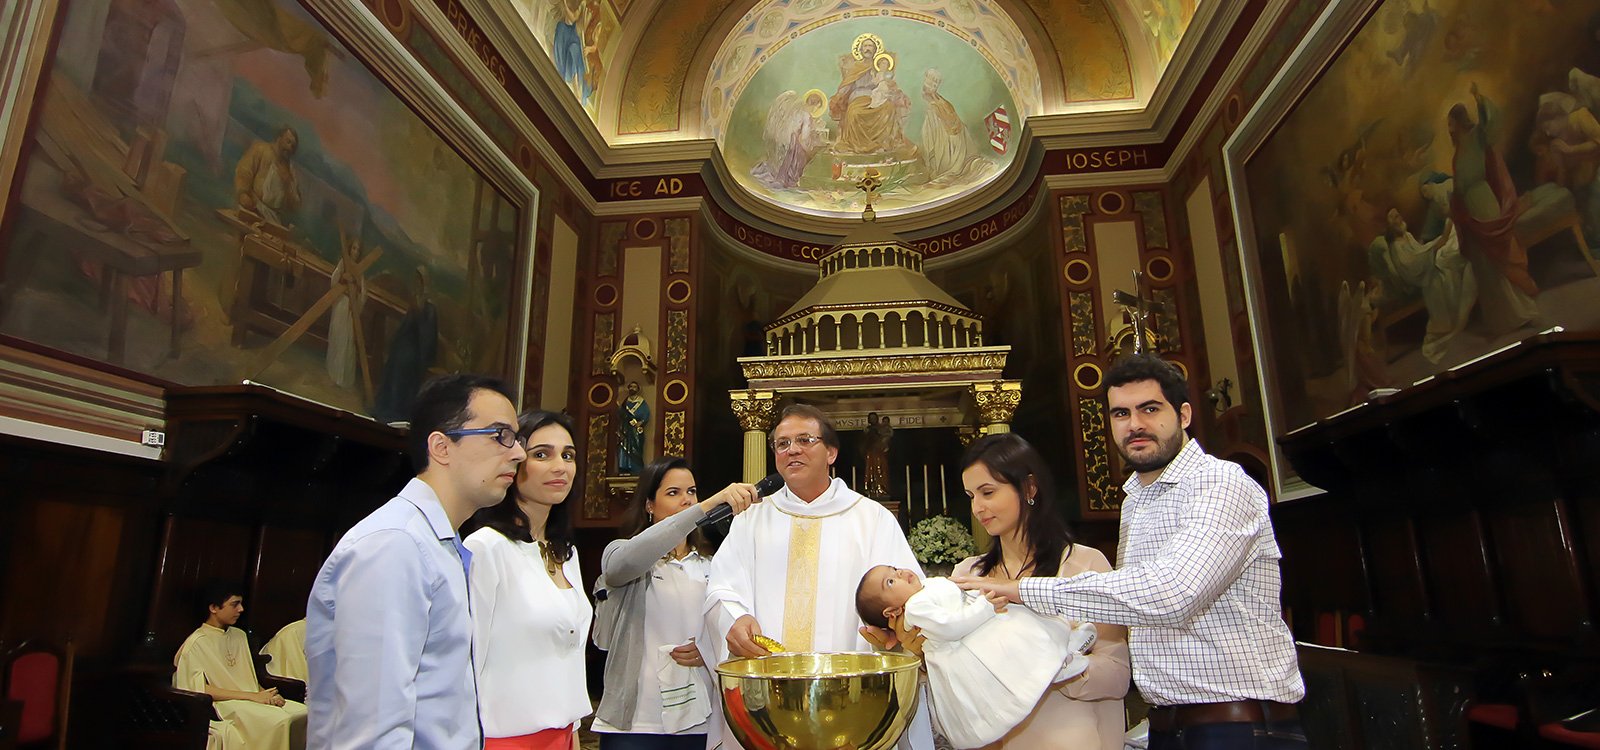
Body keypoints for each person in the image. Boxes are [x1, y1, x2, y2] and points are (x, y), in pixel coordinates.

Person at [955, 354, 1305, 749]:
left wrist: (1023, 590)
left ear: (1184, 415)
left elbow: (1174, 594)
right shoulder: (1137, 500)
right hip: (1170, 721)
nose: (1135, 424)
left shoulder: (1219, 484)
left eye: (1150, 409)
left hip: (1235, 721)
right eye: (1121, 413)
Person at [307, 373, 528, 749]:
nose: (519, 453)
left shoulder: (439, 543)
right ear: (441, 447)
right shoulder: (395, 546)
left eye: (517, 438)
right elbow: (372, 731)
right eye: (499, 435)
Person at [704, 403, 934, 750]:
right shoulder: (752, 519)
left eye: (804, 440)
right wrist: (734, 621)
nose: (791, 450)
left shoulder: (871, 519)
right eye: (781, 444)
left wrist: (894, 627)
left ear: (831, 452)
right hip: (768, 709)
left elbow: (910, 597)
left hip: (854, 707)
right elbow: (722, 588)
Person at [947, 433, 1128, 749]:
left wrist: (1056, 665)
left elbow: (1116, 674)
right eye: (970, 495)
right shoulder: (969, 575)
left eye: (988, 492)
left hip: (1070, 737)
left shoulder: (1083, 565)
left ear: (1029, 487)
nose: (977, 507)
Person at [591, 457, 759, 749]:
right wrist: (707, 506)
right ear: (649, 505)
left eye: (692, 492)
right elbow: (623, 564)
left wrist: (707, 648)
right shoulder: (623, 555)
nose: (687, 500)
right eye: (674, 493)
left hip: (698, 719)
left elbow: (734, 623)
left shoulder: (712, 564)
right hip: (637, 723)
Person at [855, 565, 1098, 749]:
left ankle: (1066, 646)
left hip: (981, 626)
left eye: (895, 569)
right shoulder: (916, 608)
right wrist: (983, 607)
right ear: (893, 612)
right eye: (890, 581)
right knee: (1015, 649)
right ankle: (1061, 659)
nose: (901, 574)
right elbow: (950, 627)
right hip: (966, 647)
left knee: (1023, 627)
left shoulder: (926, 587)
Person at [463, 410, 592, 750]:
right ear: (514, 463)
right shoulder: (486, 547)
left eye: (568, 455)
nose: (560, 466)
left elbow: (569, 654)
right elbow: (466, 659)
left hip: (563, 733)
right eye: (541, 454)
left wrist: (573, 732)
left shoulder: (566, 552)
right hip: (501, 736)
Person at [1447, 83, 1541, 335]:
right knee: (1484, 264)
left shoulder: (1477, 136)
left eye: (1451, 122)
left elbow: (1493, 125)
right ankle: (1502, 319)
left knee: (1499, 254)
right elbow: (1459, 185)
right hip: (1470, 210)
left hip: (1483, 200)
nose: (1449, 128)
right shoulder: (1457, 153)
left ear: (1459, 121)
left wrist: (1479, 99)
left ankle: (1522, 310)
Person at [175, 581, 307, 750]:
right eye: (234, 604)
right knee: (280, 721)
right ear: (214, 608)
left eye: (240, 603)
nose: (241, 609)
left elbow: (248, 676)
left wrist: (266, 694)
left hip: (251, 698)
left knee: (302, 713)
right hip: (225, 705)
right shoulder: (197, 642)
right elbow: (199, 688)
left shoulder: (239, 635)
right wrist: (251, 696)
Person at [830, 34, 914, 156]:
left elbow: (887, 83)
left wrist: (894, 91)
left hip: (875, 96)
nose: (868, 48)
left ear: (875, 50)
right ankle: (856, 145)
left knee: (889, 108)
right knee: (854, 112)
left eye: (870, 46)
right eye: (865, 46)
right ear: (860, 49)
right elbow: (847, 84)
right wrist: (839, 96)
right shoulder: (855, 67)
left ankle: (882, 144)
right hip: (858, 96)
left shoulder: (880, 66)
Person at [234, 127, 301, 225]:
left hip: (273, 219)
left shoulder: (291, 171)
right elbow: (244, 171)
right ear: (279, 138)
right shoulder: (261, 150)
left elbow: (295, 204)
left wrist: (287, 185)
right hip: (252, 207)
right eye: (288, 142)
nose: (290, 148)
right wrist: (243, 193)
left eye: (293, 146)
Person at [618, 381, 650, 475]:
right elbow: (621, 414)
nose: (632, 388)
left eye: (634, 387)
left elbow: (646, 414)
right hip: (626, 428)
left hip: (636, 429)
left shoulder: (641, 402)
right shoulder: (625, 402)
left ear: (638, 389)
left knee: (636, 447)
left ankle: (636, 468)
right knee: (623, 447)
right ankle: (624, 467)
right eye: (630, 387)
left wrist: (640, 422)